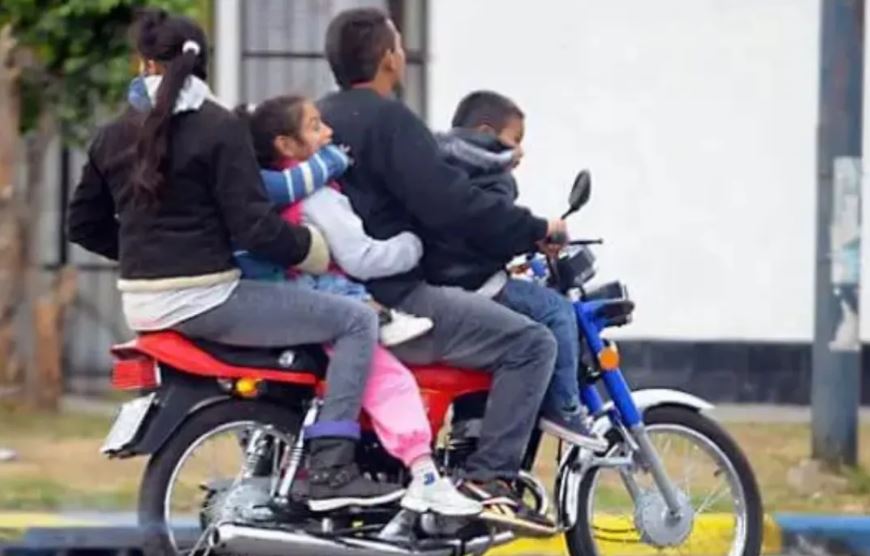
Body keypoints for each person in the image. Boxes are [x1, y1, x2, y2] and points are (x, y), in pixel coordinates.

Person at [66, 8, 403, 512]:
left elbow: (82, 226)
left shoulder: (111, 135)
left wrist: (144, 254)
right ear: (202, 64)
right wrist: (313, 249)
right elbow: (256, 229)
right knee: (354, 320)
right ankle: (333, 468)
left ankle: (277, 455)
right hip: (210, 300)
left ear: (142, 64)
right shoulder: (219, 128)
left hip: (141, 306)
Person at [265, 7, 564, 535]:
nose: (401, 52)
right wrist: (532, 226)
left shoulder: (322, 120)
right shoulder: (391, 120)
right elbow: (450, 203)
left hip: (332, 295)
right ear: (388, 58)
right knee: (533, 344)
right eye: (398, 44)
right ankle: (490, 479)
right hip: (395, 298)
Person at [232, 95, 481, 516]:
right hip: (329, 301)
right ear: (287, 147)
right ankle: (424, 473)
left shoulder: (293, 188)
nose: (328, 132)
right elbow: (362, 257)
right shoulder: (316, 196)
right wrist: (413, 245)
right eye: (315, 126)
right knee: (392, 381)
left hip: (303, 297)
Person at [430, 91, 608, 452]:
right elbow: (492, 225)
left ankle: (473, 427)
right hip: (476, 286)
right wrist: (541, 230)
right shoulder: (492, 175)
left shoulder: (443, 166)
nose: (521, 153)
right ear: (485, 132)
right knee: (555, 312)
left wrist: (522, 244)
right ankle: (564, 407)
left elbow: (475, 230)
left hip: (445, 283)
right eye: (515, 140)